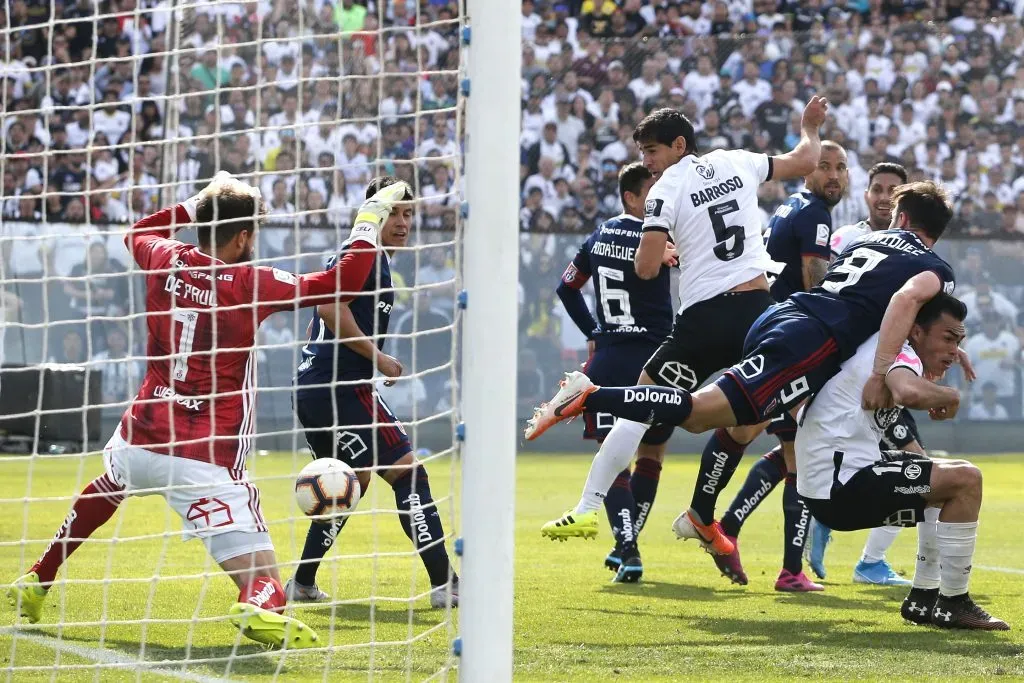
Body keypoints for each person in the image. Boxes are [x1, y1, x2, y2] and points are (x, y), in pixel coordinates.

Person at [8, 172, 410, 649]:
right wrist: (368, 220)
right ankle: (259, 604)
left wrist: (193, 202)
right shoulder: (249, 282)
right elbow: (337, 283)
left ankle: (39, 575)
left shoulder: (165, 257)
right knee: (267, 581)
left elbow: (135, 232)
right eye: (253, 233)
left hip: (142, 430)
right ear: (242, 237)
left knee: (110, 482)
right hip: (204, 458)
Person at [528, 180, 963, 560]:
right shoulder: (934, 268)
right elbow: (906, 300)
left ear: (901, 217)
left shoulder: (865, 242)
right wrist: (881, 369)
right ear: (935, 232)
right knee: (701, 413)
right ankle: (589, 395)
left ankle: (703, 514)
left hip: (785, 316)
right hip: (811, 341)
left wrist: (944, 347)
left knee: (739, 424)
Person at [532, 97, 830, 541]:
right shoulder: (735, 160)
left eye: (651, 151)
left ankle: (589, 491)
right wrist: (809, 125)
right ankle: (704, 517)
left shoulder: (666, 189)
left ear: (677, 145)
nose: (647, 162)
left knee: (640, 407)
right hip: (757, 312)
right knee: (752, 418)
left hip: (705, 319)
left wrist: (664, 250)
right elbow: (807, 159)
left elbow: (647, 267)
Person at [289, 176, 459, 609]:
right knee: (410, 473)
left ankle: (303, 583)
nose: (403, 223)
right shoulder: (363, 255)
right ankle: (447, 584)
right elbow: (328, 305)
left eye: (408, 214)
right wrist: (378, 357)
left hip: (315, 389)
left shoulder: (367, 257)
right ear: (373, 215)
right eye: (394, 213)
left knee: (349, 486)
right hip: (342, 388)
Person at [796, 293, 1007, 631]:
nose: (954, 351)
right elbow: (908, 392)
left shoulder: (880, 346)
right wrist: (950, 396)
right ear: (917, 332)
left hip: (832, 482)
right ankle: (953, 602)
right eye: (948, 339)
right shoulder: (899, 351)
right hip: (841, 485)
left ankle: (924, 598)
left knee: (940, 477)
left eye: (959, 342)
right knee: (967, 477)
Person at [708, 140, 850, 592]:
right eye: (824, 166)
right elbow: (816, 283)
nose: (833, 175)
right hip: (793, 347)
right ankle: (710, 519)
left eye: (841, 168)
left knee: (791, 455)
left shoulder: (791, 206)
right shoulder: (815, 215)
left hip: (774, 334)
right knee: (751, 433)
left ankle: (770, 556)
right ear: (808, 170)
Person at [550, 162, 676, 583]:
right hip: (656, 363)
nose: (660, 200)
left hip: (609, 358)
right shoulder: (660, 238)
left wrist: (593, 332)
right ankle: (629, 546)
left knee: (612, 458)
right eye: (652, 192)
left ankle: (628, 547)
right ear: (631, 196)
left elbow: (566, 287)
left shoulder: (599, 235)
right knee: (651, 454)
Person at [806, 162, 929, 586]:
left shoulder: (916, 253)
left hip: (881, 372)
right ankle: (865, 557)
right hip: (853, 373)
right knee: (916, 467)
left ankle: (847, 541)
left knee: (905, 464)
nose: (883, 197)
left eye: (893, 191)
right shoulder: (848, 240)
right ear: (867, 195)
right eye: (878, 189)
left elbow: (924, 314)